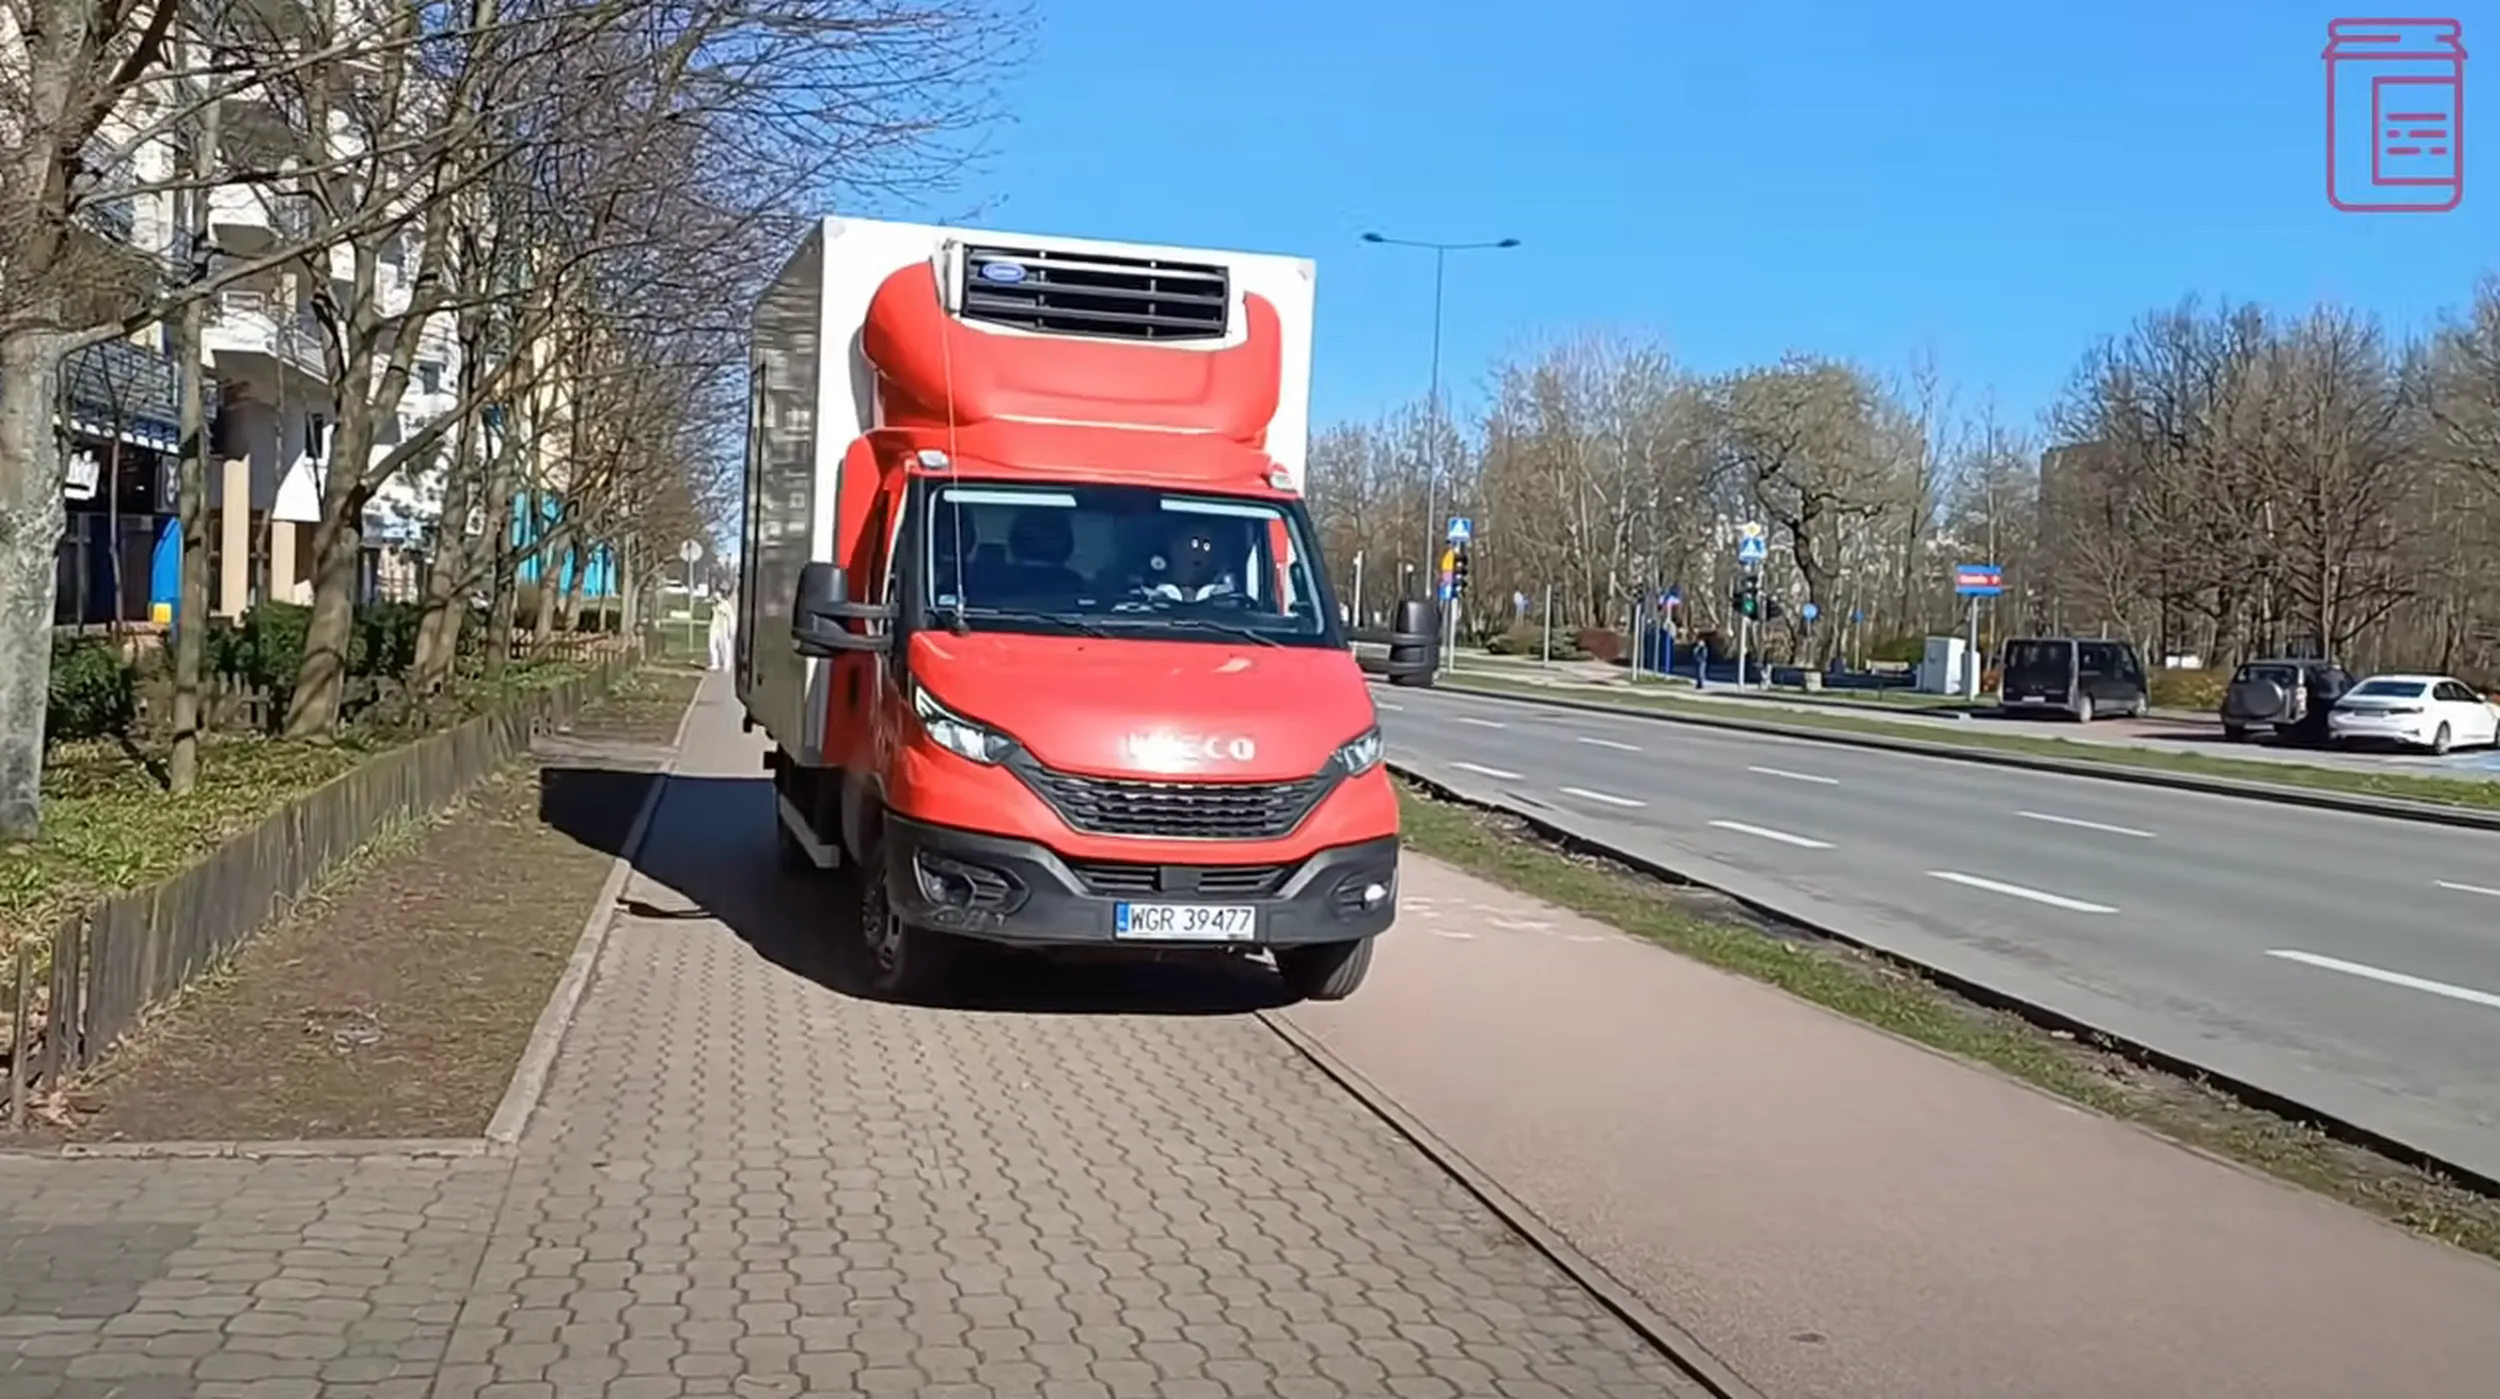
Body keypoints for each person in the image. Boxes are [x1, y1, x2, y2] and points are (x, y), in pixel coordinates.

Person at [706, 588, 736, 671]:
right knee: (712, 644)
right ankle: (715, 663)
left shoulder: (726, 605)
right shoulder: (713, 605)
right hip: (715, 625)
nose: (716, 599)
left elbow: (731, 617)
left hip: (723, 626)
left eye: (717, 597)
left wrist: (731, 629)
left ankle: (727, 664)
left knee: (724, 645)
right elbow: (708, 602)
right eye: (715, 597)